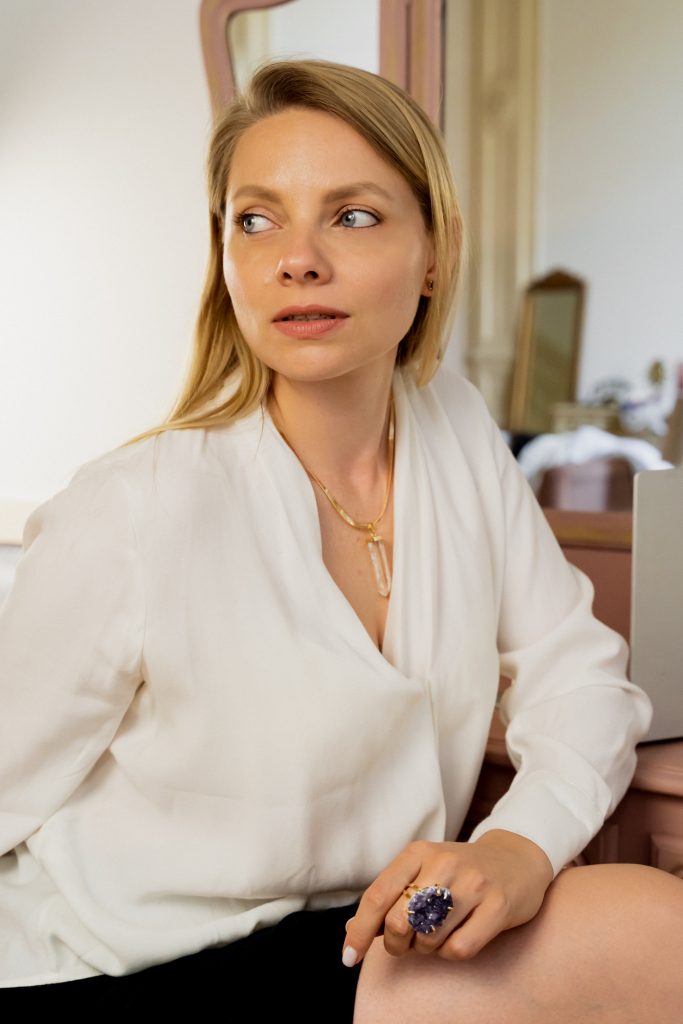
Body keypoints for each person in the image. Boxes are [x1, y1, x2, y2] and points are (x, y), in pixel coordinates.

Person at [1, 57, 681, 1019]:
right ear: (226, 257)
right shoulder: (133, 507)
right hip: (114, 964)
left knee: (654, 925)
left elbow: (580, 681)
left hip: (356, 939)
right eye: (257, 219)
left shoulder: (452, 430)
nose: (297, 258)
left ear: (434, 251)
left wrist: (517, 846)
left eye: (352, 215)